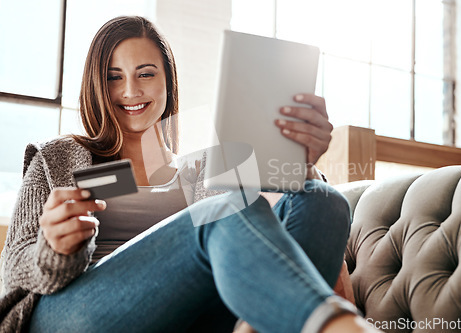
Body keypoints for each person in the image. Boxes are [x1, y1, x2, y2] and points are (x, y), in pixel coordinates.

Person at [0, 16, 380, 333]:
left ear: (168, 81)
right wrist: (53, 251)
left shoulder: (205, 170)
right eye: (114, 77)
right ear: (97, 86)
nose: (130, 91)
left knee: (323, 199)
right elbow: (13, 271)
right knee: (222, 214)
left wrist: (299, 160)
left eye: (145, 74)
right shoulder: (59, 158)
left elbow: (284, 220)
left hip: (194, 317)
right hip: (78, 313)